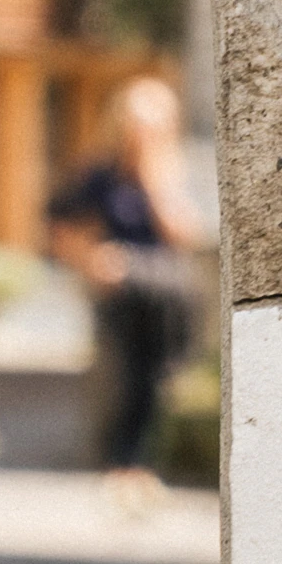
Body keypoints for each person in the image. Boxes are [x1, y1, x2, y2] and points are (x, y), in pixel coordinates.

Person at [49, 71, 198, 502]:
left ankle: (146, 466)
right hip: (120, 296)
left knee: (160, 381)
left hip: (165, 293)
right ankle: (122, 466)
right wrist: (91, 261)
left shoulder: (172, 170)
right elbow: (60, 222)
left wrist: (155, 184)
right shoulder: (102, 173)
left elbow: (184, 236)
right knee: (123, 379)